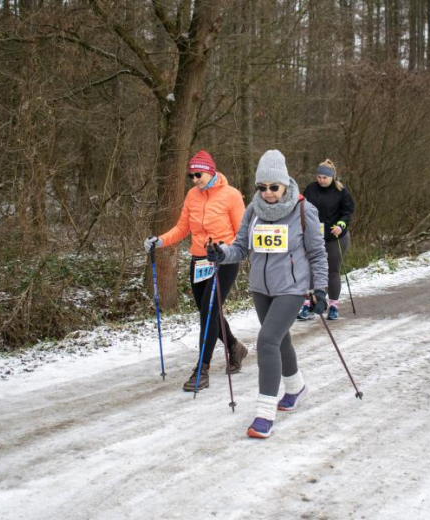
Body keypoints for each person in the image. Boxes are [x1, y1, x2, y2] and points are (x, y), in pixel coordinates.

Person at [207, 149, 328, 439]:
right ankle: (296, 387)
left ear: (285, 183)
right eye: (262, 187)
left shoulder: (303, 210)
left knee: (267, 341)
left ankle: (264, 413)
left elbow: (317, 253)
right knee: (280, 340)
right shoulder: (253, 210)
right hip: (261, 289)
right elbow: (239, 248)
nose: (269, 193)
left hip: (292, 288)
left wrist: (321, 288)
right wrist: (220, 253)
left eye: (274, 187)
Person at [143, 150, 249, 392]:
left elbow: (242, 234)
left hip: (224, 261)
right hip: (199, 261)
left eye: (198, 174)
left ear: (210, 172)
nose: (194, 179)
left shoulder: (231, 195)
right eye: (191, 175)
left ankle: (202, 369)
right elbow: (182, 228)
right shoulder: (192, 195)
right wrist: (160, 241)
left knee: (209, 312)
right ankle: (234, 347)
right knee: (207, 310)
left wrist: (226, 251)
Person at [300, 159, 355, 320]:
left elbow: (348, 211)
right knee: (309, 271)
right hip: (314, 236)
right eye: (319, 177)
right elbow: (302, 208)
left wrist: (341, 225)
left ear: (332, 177)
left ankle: (333, 306)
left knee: (332, 271)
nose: (321, 180)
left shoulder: (341, 191)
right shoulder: (311, 189)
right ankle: (309, 305)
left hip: (335, 236)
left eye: (325, 177)